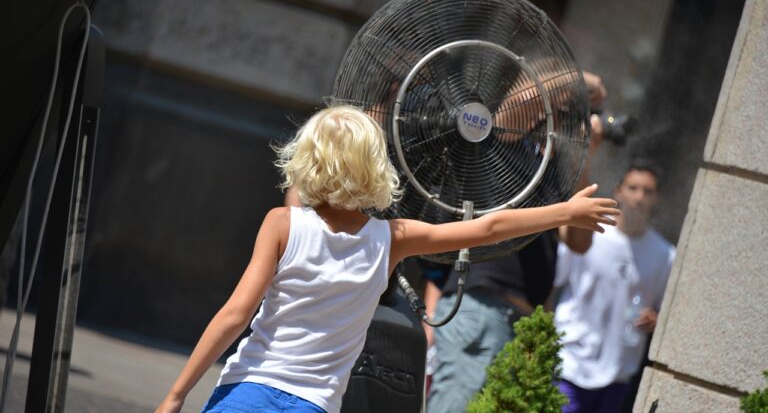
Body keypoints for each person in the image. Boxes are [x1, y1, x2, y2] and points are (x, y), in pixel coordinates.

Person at [154, 105, 619, 413]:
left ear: (306, 160)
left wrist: (177, 395)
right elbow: (488, 228)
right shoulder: (392, 238)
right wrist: (567, 210)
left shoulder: (282, 223)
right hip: (313, 405)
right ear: (376, 167)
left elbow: (236, 315)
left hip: (247, 391)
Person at [426, 71, 607, 413]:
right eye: (564, 109)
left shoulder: (551, 169)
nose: (565, 118)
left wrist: (583, 154)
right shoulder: (497, 144)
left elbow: (579, 239)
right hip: (483, 306)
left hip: (520, 319)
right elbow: (519, 102)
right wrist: (577, 80)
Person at [553, 159, 675, 413]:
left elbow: (665, 313)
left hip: (618, 371)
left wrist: (656, 320)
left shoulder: (665, 254)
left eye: (647, 191)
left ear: (657, 198)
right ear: (618, 191)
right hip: (570, 363)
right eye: (633, 188)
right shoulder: (591, 230)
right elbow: (554, 278)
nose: (639, 197)